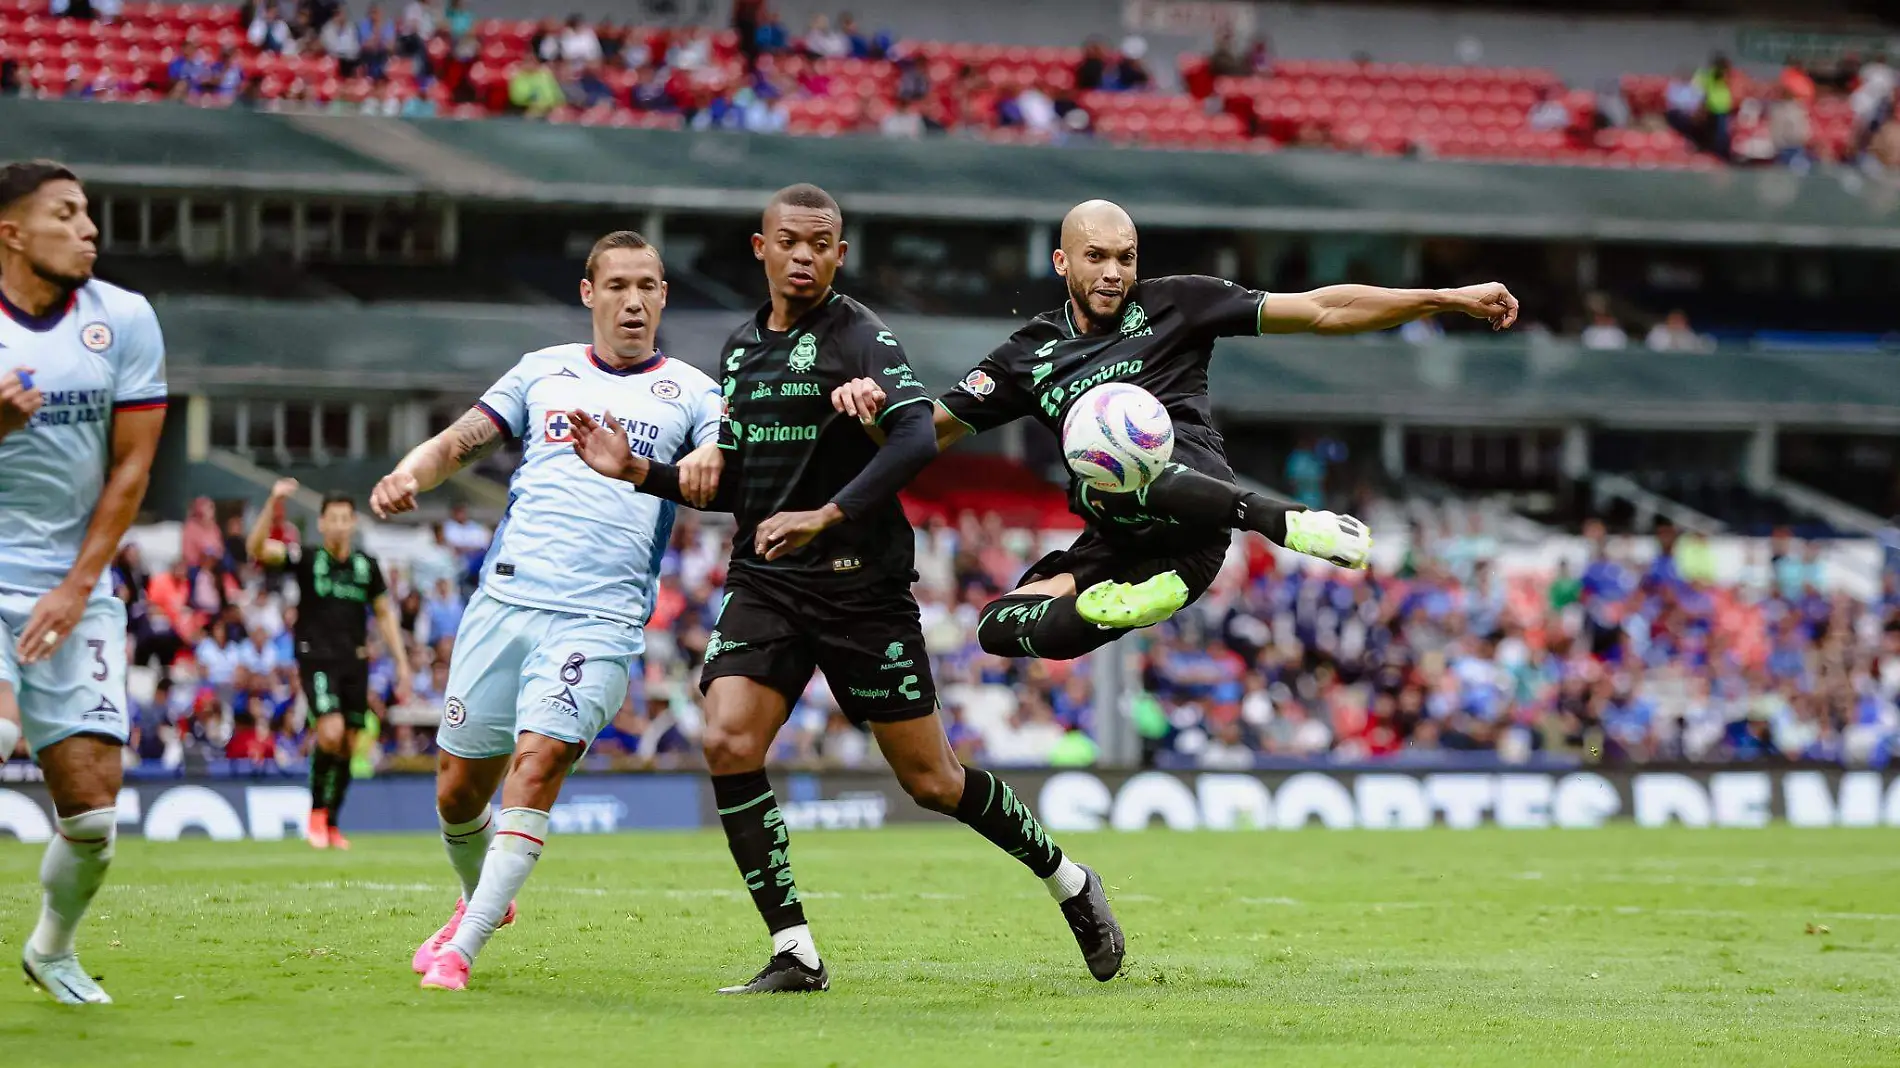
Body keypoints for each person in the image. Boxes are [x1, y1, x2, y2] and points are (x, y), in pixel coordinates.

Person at [568, 184, 1124, 994]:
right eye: (788, 241)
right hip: (769, 581)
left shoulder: (862, 336)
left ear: (839, 253)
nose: (804, 255)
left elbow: (912, 438)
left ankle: (1069, 881)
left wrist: (827, 513)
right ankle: (794, 949)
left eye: (820, 244)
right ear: (761, 249)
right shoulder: (738, 350)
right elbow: (746, 489)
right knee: (726, 738)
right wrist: (641, 473)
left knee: (932, 781)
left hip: (861, 587)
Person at [832, 199, 1516, 666]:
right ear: (1062, 263)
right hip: (1117, 541)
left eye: (1125, 257)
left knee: (1121, 442)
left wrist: (1444, 298)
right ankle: (1119, 609)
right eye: (1096, 256)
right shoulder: (1028, 355)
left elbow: (1320, 311)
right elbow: (930, 430)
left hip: (1197, 517)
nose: (1113, 273)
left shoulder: (1177, 303)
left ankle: (1284, 521)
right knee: (998, 626)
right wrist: (870, 411)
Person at [370, 230, 722, 993]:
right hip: (505, 601)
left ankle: (460, 949)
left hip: (599, 616)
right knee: (459, 792)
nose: (634, 300)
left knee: (538, 762)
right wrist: (411, 472)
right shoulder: (542, 373)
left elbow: (720, 465)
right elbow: (462, 441)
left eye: (649, 286)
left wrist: (705, 458)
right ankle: (483, 904)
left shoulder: (694, 392)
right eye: (619, 285)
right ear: (588, 293)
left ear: (664, 296)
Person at [0, 160, 168, 1005]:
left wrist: (75, 587)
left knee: (95, 816)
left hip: (75, 582)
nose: (89, 228)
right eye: (66, 214)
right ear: (13, 233)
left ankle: (51, 951)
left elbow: (133, 470)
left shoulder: (125, 319)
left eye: (90, 212)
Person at [246, 479, 410, 849]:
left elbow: (384, 615)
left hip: (356, 661)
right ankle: (317, 815)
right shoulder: (306, 558)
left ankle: (332, 823)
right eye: (332, 519)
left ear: (353, 523)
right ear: (321, 524)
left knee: (350, 745)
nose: (338, 525)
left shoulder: (366, 567)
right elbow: (256, 548)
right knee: (330, 732)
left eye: (345, 518)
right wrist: (272, 502)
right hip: (316, 658)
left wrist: (401, 663)